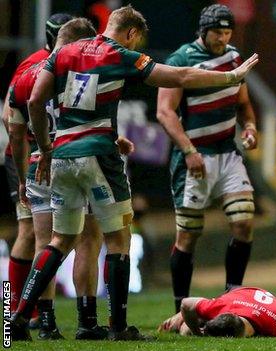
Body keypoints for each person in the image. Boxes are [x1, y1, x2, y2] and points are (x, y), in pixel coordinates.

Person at [11, 5, 258, 341]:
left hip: (62, 158)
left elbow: (36, 100)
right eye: (137, 40)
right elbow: (180, 76)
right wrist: (230, 76)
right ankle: (117, 327)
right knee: (119, 240)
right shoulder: (119, 54)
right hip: (99, 157)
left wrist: (45, 147)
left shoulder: (65, 52)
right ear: (130, 33)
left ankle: (20, 317)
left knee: (59, 240)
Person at [7, 18, 116, 340]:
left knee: (43, 241)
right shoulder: (82, 73)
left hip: (36, 164)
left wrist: (22, 170)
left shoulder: (26, 73)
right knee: (88, 239)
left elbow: (11, 124)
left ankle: (43, 322)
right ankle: (86, 322)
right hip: (74, 158)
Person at [156, 3, 258, 312]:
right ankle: (180, 308)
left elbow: (243, 102)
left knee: (244, 221)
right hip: (194, 157)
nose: (223, 38)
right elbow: (164, 111)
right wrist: (188, 150)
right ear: (203, 30)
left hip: (227, 152)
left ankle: (233, 295)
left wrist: (250, 127)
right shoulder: (182, 60)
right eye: (217, 32)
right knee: (188, 235)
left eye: (227, 32)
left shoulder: (234, 57)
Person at [2, 12, 73, 328]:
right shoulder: (33, 64)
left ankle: (27, 313)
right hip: (26, 156)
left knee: (47, 236)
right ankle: (13, 311)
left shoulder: (74, 64)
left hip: (51, 157)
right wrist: (34, 150)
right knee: (29, 232)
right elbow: (10, 114)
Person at [158, 287, 276, 338]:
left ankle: (189, 318)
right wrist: (196, 330)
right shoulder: (221, 307)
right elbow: (185, 303)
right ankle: (182, 317)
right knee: (187, 326)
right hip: (235, 296)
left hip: (242, 295)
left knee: (185, 330)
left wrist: (192, 329)